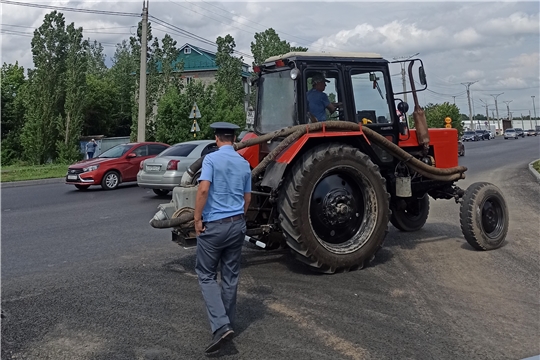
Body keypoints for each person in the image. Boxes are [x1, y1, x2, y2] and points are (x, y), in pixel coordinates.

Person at [193, 121, 252, 354]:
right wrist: (238, 219)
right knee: (230, 276)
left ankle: (220, 325)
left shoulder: (211, 159)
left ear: (217, 139)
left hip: (214, 226)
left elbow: (204, 189)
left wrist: (197, 219)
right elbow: (247, 200)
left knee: (206, 275)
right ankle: (227, 323)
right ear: (234, 139)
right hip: (237, 224)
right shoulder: (244, 163)